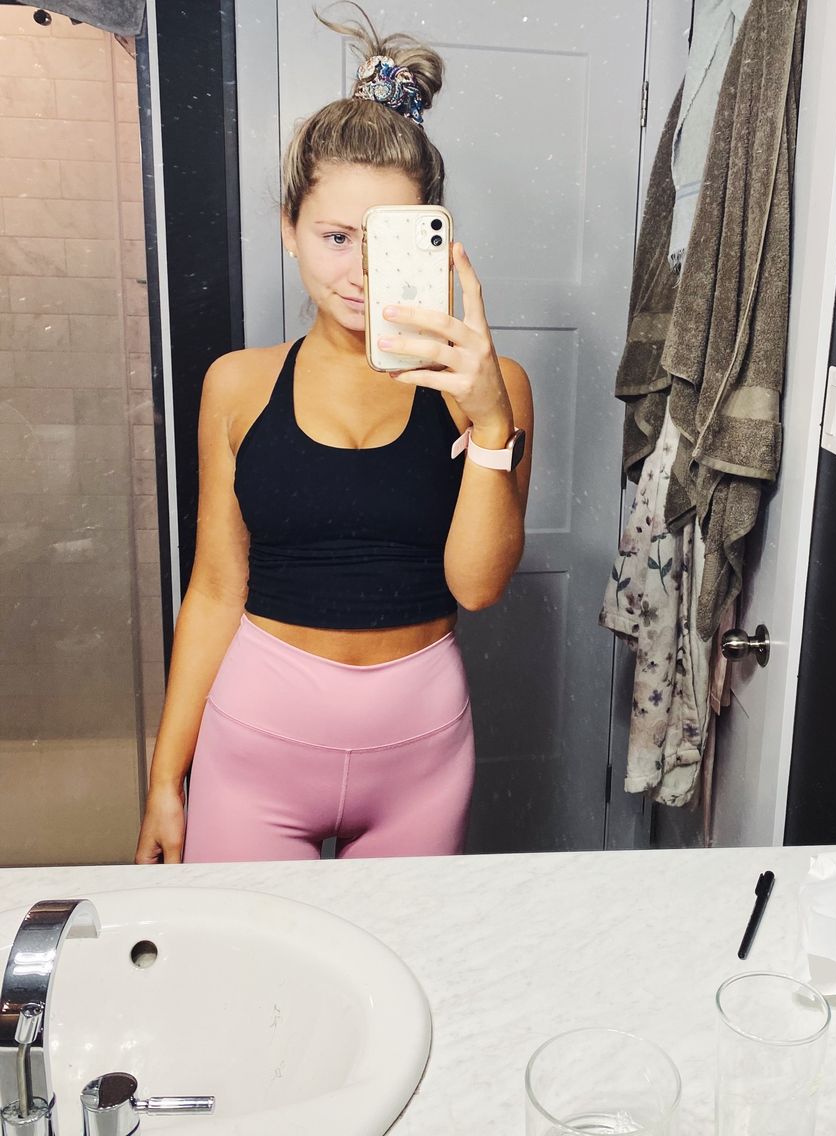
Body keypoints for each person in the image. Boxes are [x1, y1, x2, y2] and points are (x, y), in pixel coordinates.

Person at [135, 9, 532, 865]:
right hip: (255, 749)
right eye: (336, 237)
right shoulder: (237, 384)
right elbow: (215, 589)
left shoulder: (490, 388)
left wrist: (493, 424)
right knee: (248, 955)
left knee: (400, 957)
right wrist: (166, 778)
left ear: (432, 240)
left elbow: (478, 588)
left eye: (387, 239)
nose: (359, 271)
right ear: (290, 229)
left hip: (421, 758)